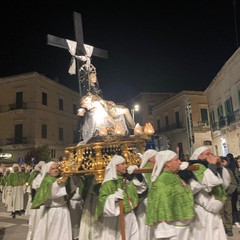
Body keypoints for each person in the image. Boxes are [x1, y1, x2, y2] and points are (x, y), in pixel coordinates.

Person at [146, 150, 195, 240]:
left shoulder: (175, 176)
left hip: (184, 227)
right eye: (176, 160)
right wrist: (166, 233)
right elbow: (162, 208)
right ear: (167, 163)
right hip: (173, 231)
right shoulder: (161, 182)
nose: (180, 162)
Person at [188, 146, 230, 240]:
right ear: (199, 156)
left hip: (215, 213)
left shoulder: (210, 167)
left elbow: (225, 184)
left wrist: (219, 168)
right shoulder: (194, 167)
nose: (211, 156)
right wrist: (211, 166)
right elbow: (206, 183)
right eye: (208, 154)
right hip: (202, 212)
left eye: (211, 154)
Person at [94, 155, 140, 240]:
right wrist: (113, 198)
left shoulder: (125, 180)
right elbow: (102, 201)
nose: (126, 166)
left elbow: (134, 195)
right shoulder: (108, 183)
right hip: (115, 218)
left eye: (125, 164)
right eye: (122, 164)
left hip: (129, 215)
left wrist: (131, 180)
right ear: (115, 166)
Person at [30, 161, 73, 240]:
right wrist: (61, 181)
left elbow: (70, 190)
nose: (56, 170)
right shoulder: (47, 180)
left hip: (63, 209)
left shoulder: (59, 178)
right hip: (52, 211)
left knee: (63, 233)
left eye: (57, 168)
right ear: (48, 171)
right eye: (53, 169)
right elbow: (52, 193)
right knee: (52, 233)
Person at [135, 149, 158, 240]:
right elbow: (143, 186)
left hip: (156, 199)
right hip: (146, 200)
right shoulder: (145, 169)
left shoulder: (157, 167)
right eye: (156, 156)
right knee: (145, 225)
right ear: (150, 159)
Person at [220, 157, 237, 236]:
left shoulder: (228, 171)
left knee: (228, 212)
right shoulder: (213, 171)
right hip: (218, 196)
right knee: (220, 212)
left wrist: (229, 191)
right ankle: (222, 227)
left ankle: (229, 227)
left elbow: (234, 183)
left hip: (227, 195)